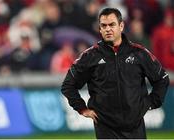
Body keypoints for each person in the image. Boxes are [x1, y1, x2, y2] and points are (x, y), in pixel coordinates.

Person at [61, 7, 169, 139]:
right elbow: (68, 85)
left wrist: (150, 103)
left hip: (135, 128)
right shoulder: (90, 56)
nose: (107, 29)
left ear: (121, 26)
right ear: (99, 29)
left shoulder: (139, 53)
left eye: (112, 24)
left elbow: (162, 78)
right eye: (103, 26)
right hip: (106, 129)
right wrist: (82, 108)